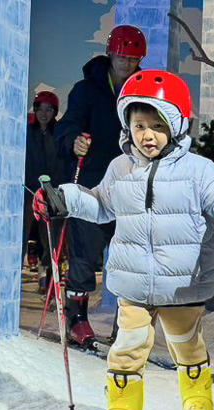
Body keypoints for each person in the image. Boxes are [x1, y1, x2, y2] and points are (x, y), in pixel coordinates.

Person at [34, 70, 214, 410]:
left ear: (175, 126)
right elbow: (100, 204)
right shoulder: (120, 168)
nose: (147, 135)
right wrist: (64, 199)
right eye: (139, 125)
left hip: (182, 286)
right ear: (127, 124)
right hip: (134, 286)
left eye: (158, 126)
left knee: (187, 347)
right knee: (127, 348)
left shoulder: (197, 169)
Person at [53, 24, 147, 345]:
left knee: (127, 258)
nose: (126, 61)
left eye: (133, 57)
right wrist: (74, 141)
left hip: (129, 187)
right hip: (92, 183)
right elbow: (65, 128)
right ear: (111, 53)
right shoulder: (86, 90)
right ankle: (76, 318)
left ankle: (126, 324)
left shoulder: (142, 94)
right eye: (122, 54)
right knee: (85, 252)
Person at [24, 91, 62, 290]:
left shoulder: (60, 132)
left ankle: (49, 281)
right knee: (22, 235)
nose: (44, 114)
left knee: (52, 241)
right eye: (40, 109)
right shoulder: (28, 132)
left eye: (49, 109)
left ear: (55, 111)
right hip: (29, 190)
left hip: (52, 192)